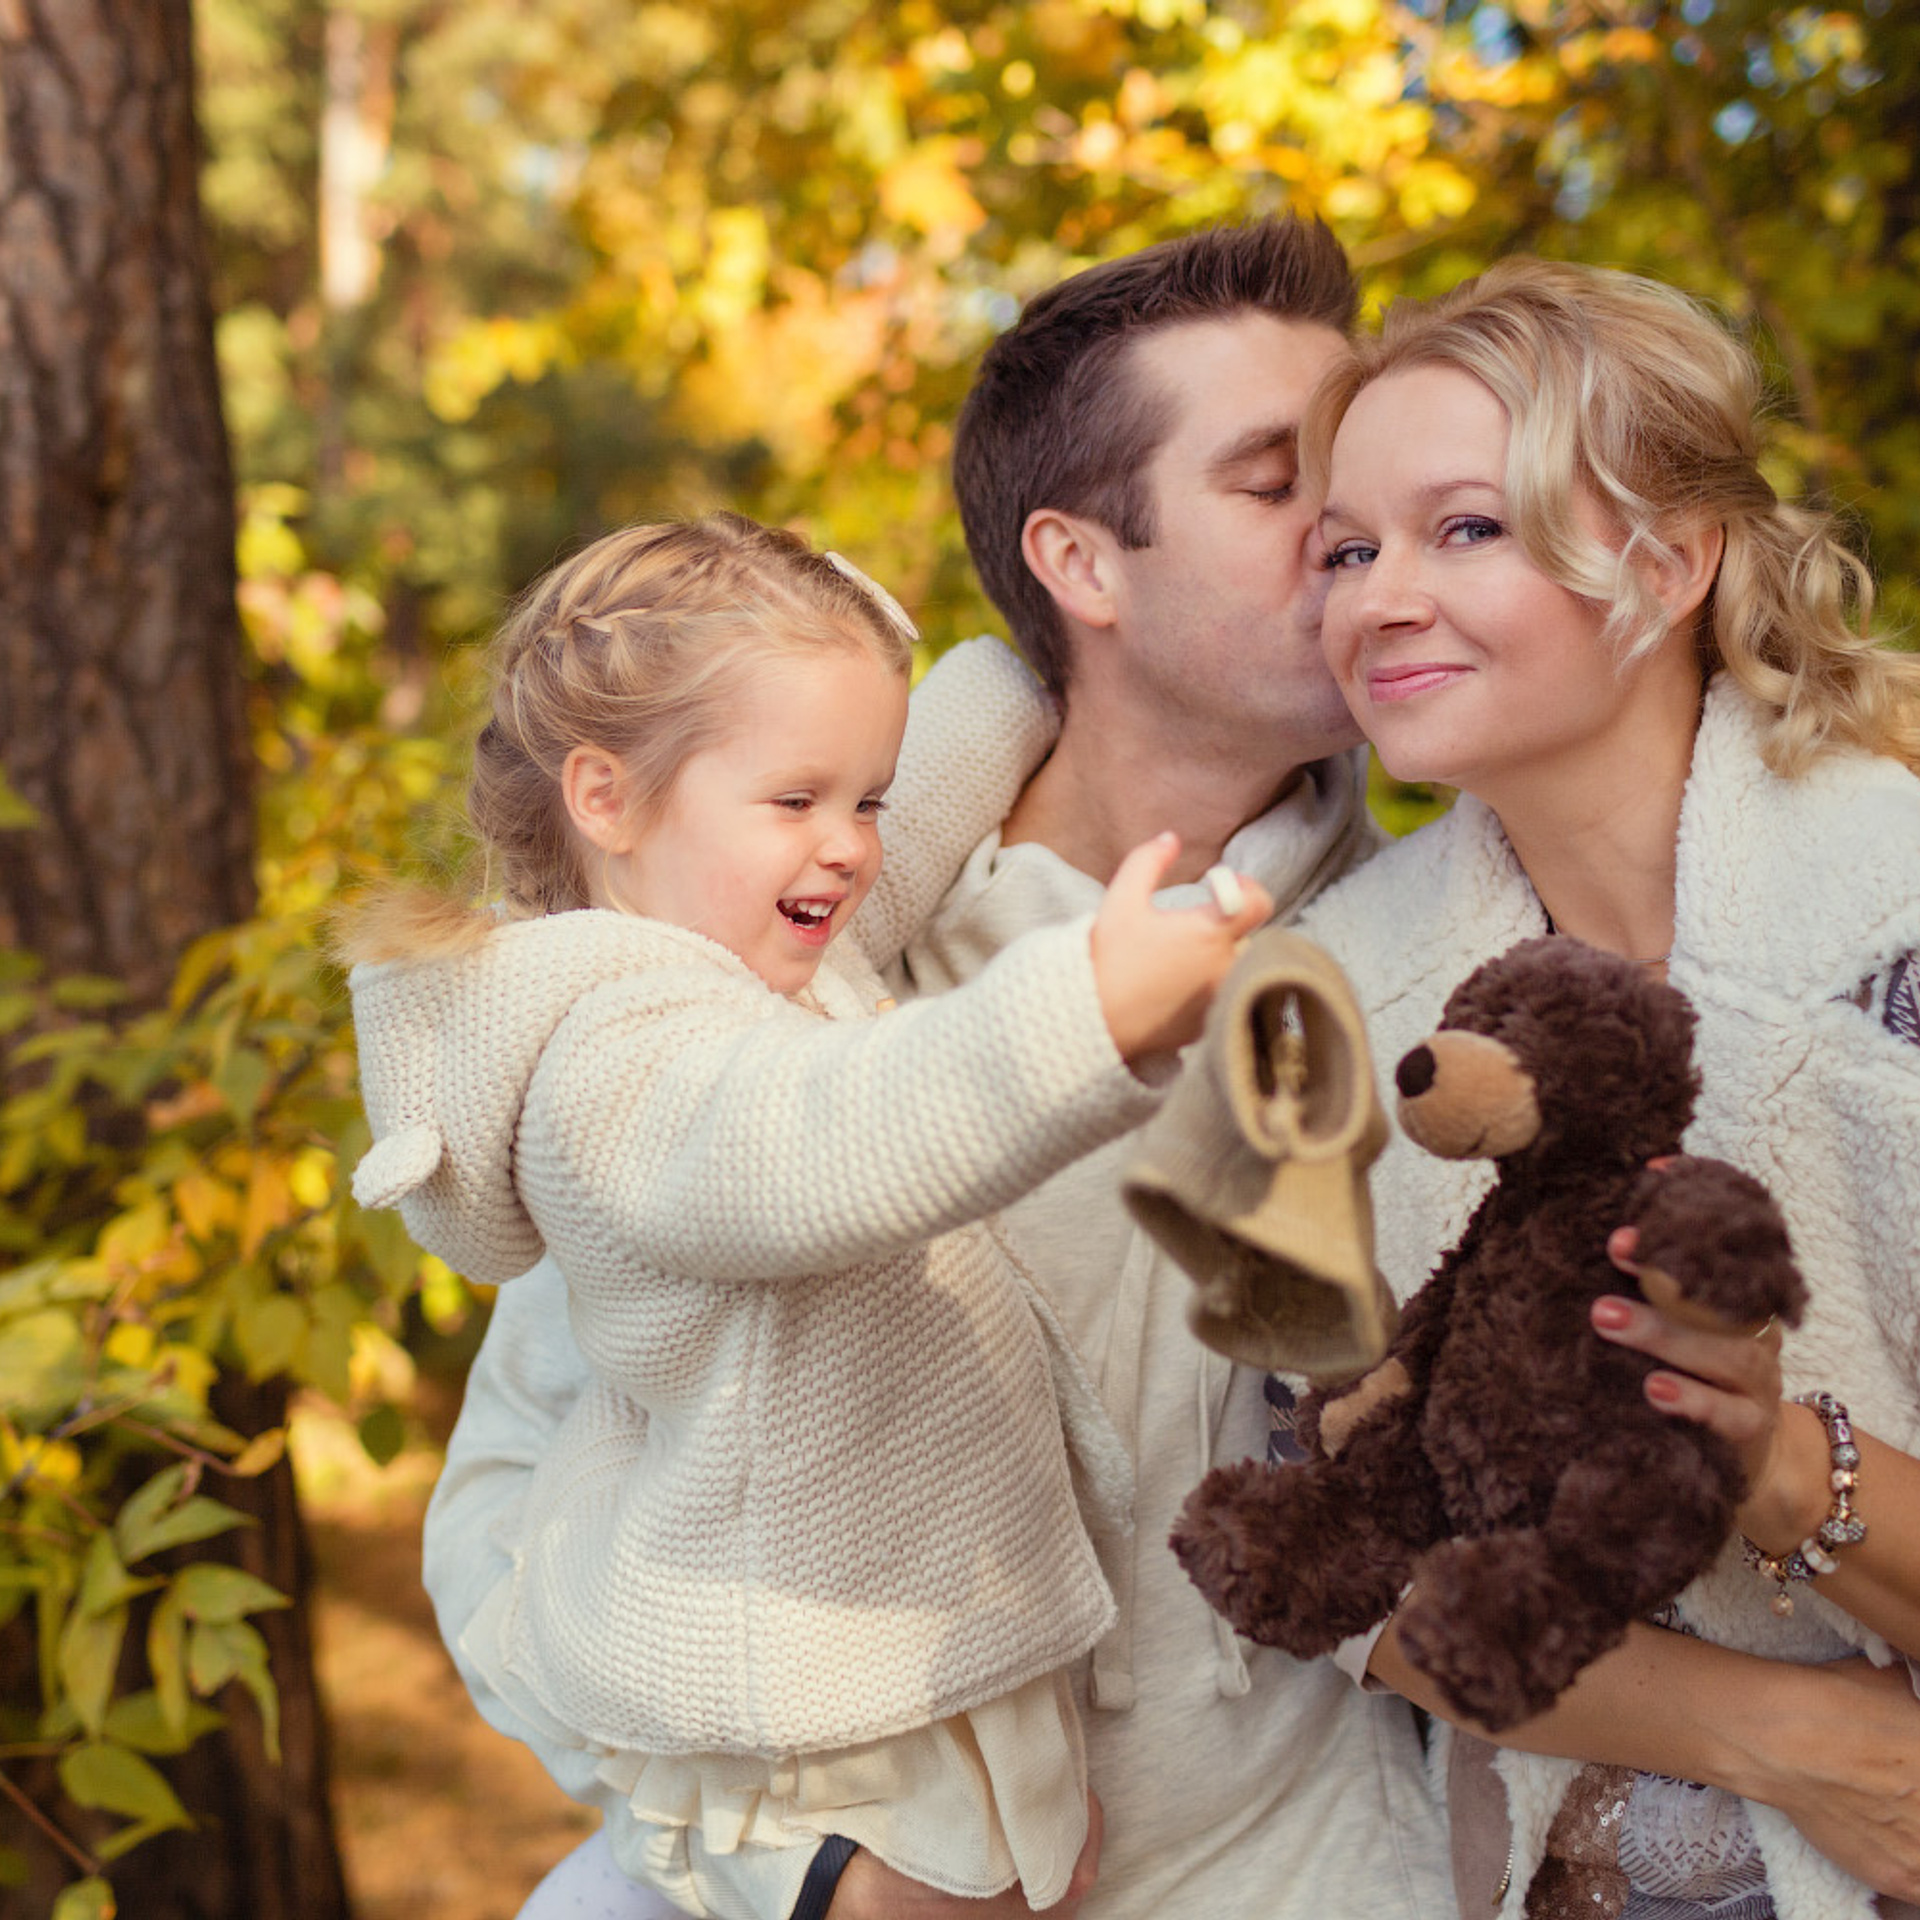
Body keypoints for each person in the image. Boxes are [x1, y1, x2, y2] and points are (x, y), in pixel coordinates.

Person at [422, 219, 1457, 1920]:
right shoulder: (800, 961)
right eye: (1278, 484)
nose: (1351, 532)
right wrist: (805, 1870)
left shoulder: (1450, 955)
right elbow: (516, 1510)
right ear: (1081, 560)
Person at [345, 512, 1275, 1912]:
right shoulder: (609, 1058)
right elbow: (819, 1139)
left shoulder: (765, 950)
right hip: (807, 1716)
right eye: (797, 803)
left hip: (900, 1669)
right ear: (605, 797)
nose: (846, 848)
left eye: (868, 799)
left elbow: (941, 773)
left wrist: (1057, 638)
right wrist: (1087, 1012)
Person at [1279, 257, 1920, 1916]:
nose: (1378, 599)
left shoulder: (1895, 935)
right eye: (1347, 550)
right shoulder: (1342, 1002)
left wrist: (1778, 1463)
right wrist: (1779, 1735)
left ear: (1671, 559)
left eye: (1466, 528)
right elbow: (1325, 1553)